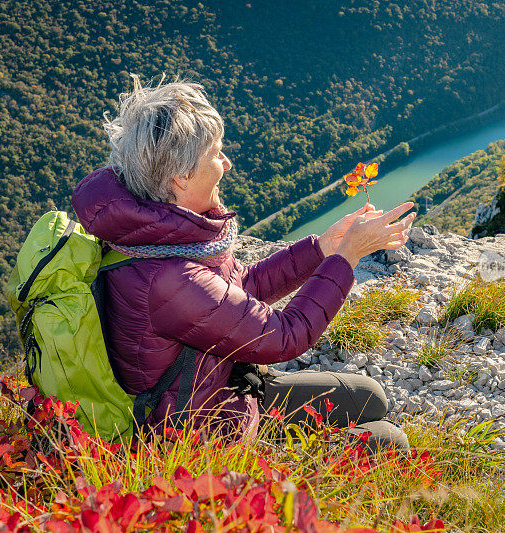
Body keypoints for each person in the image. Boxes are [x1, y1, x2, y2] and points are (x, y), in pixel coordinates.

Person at [72, 75, 416, 451]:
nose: (227, 163)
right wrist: (347, 257)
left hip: (218, 392)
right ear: (181, 177)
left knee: (370, 396)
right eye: (215, 154)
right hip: (202, 437)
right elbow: (286, 336)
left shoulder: (156, 235)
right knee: (390, 442)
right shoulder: (169, 276)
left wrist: (323, 248)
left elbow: (236, 292)